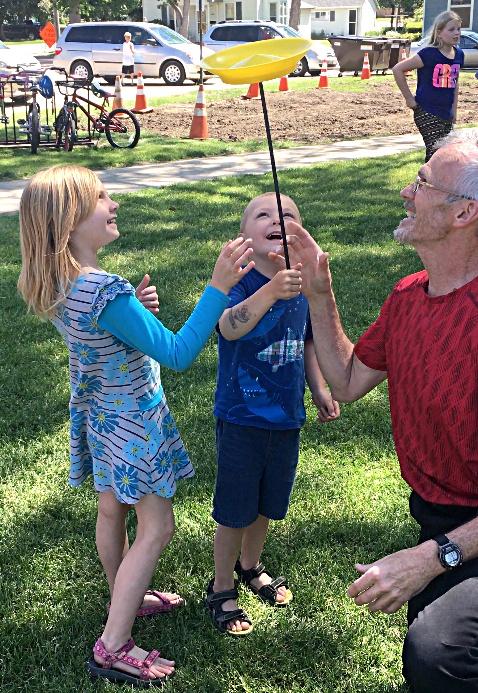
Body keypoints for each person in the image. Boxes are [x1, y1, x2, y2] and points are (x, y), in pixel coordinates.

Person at [17, 164, 254, 686]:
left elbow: (109, 334)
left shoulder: (61, 282)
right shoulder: (104, 289)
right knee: (157, 527)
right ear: (69, 220)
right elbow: (178, 352)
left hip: (101, 419)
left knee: (112, 510)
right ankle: (114, 644)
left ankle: (127, 593)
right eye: (102, 198)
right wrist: (217, 288)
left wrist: (136, 315)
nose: (113, 204)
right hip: (133, 424)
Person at [276, 132, 478, 692]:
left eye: (421, 184)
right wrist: (321, 294)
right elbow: (344, 380)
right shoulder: (409, 296)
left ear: (463, 212)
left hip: (463, 532)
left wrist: (432, 558)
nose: (406, 194)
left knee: (439, 651)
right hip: (441, 517)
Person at [205, 192, 340, 635]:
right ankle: (222, 585)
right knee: (234, 509)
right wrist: (269, 290)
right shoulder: (240, 283)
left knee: (266, 504)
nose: (277, 219)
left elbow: (305, 342)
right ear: (245, 235)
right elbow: (228, 326)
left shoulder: (302, 285)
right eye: (263, 214)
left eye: (288, 215)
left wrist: (318, 387)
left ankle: (250, 565)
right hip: (241, 417)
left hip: (286, 417)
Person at [393, 11, 464, 162]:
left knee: (444, 154)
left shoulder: (459, 55)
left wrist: (454, 110)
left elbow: (455, 83)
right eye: (451, 29)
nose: (457, 33)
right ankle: (427, 183)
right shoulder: (428, 54)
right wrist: (409, 99)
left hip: (446, 112)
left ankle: (432, 183)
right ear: (439, 33)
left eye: (458, 29)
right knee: (436, 154)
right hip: (426, 111)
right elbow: (398, 69)